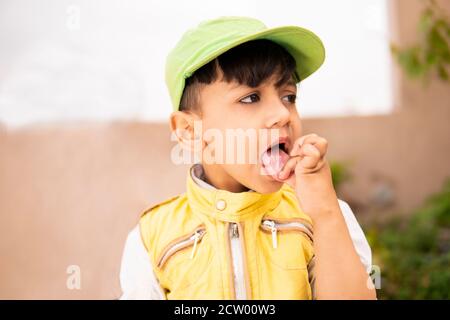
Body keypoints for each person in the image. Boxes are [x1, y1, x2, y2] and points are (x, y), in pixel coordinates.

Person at [119, 16, 376, 300]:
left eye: (288, 96)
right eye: (251, 98)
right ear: (191, 131)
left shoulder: (323, 217)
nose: (282, 113)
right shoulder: (152, 239)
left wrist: (326, 214)